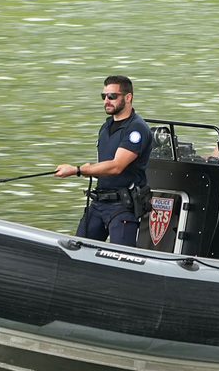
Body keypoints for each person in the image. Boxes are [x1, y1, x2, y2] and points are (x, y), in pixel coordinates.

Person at [54, 75, 152, 246]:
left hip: (122, 207)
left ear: (128, 97)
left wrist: (78, 170)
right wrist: (89, 170)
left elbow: (116, 166)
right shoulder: (106, 127)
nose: (106, 100)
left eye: (112, 96)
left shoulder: (136, 129)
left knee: (122, 258)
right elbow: (104, 165)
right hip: (99, 203)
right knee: (76, 249)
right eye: (104, 96)